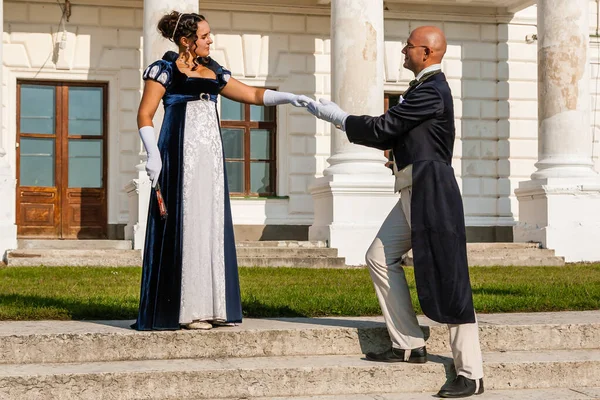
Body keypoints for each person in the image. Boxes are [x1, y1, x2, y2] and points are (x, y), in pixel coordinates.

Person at [301, 26, 484, 398]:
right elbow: (402, 136)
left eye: (409, 45)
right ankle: (409, 344)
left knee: (448, 276)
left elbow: (385, 128)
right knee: (379, 257)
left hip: (430, 190)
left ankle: (471, 373)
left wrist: (338, 118)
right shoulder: (422, 88)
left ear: (427, 53)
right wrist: (398, 157)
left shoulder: (432, 89)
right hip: (413, 186)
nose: (402, 50)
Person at [133, 11, 305, 331]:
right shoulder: (165, 70)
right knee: (188, 224)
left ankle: (215, 307)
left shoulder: (214, 71)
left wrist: (291, 98)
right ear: (187, 41)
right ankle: (188, 311)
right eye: (205, 35)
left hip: (210, 158)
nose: (211, 40)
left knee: (210, 223)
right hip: (178, 154)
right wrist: (153, 155)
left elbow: (253, 95)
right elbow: (145, 114)